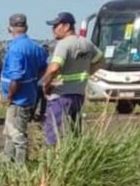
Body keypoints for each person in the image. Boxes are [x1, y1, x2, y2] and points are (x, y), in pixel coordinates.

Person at [39, 12, 104, 146]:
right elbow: (101, 60)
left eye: (56, 26)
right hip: (78, 95)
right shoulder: (86, 43)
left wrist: (46, 84)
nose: (53, 29)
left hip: (61, 95)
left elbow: (54, 68)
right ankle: (74, 155)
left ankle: (54, 157)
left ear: (67, 26)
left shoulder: (64, 44)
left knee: (53, 135)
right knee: (75, 133)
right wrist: (86, 72)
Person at [0, 14, 48, 163]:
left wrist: (10, 96)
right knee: (10, 132)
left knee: (17, 135)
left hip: (18, 99)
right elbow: (44, 68)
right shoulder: (36, 47)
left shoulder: (15, 49)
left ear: (9, 28)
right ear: (26, 27)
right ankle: (7, 161)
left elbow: (16, 77)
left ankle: (19, 167)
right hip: (29, 95)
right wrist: (34, 80)